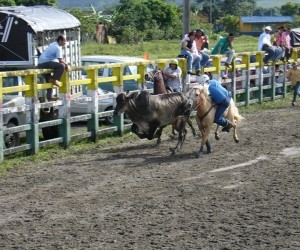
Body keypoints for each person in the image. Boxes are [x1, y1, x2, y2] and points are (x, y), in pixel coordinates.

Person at [38, 34, 69, 101]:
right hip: (45, 63)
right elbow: (60, 61)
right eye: (64, 41)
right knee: (61, 66)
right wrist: (66, 64)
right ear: (60, 40)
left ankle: (49, 97)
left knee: (49, 81)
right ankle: (54, 79)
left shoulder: (53, 44)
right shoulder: (57, 47)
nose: (65, 43)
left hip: (40, 64)